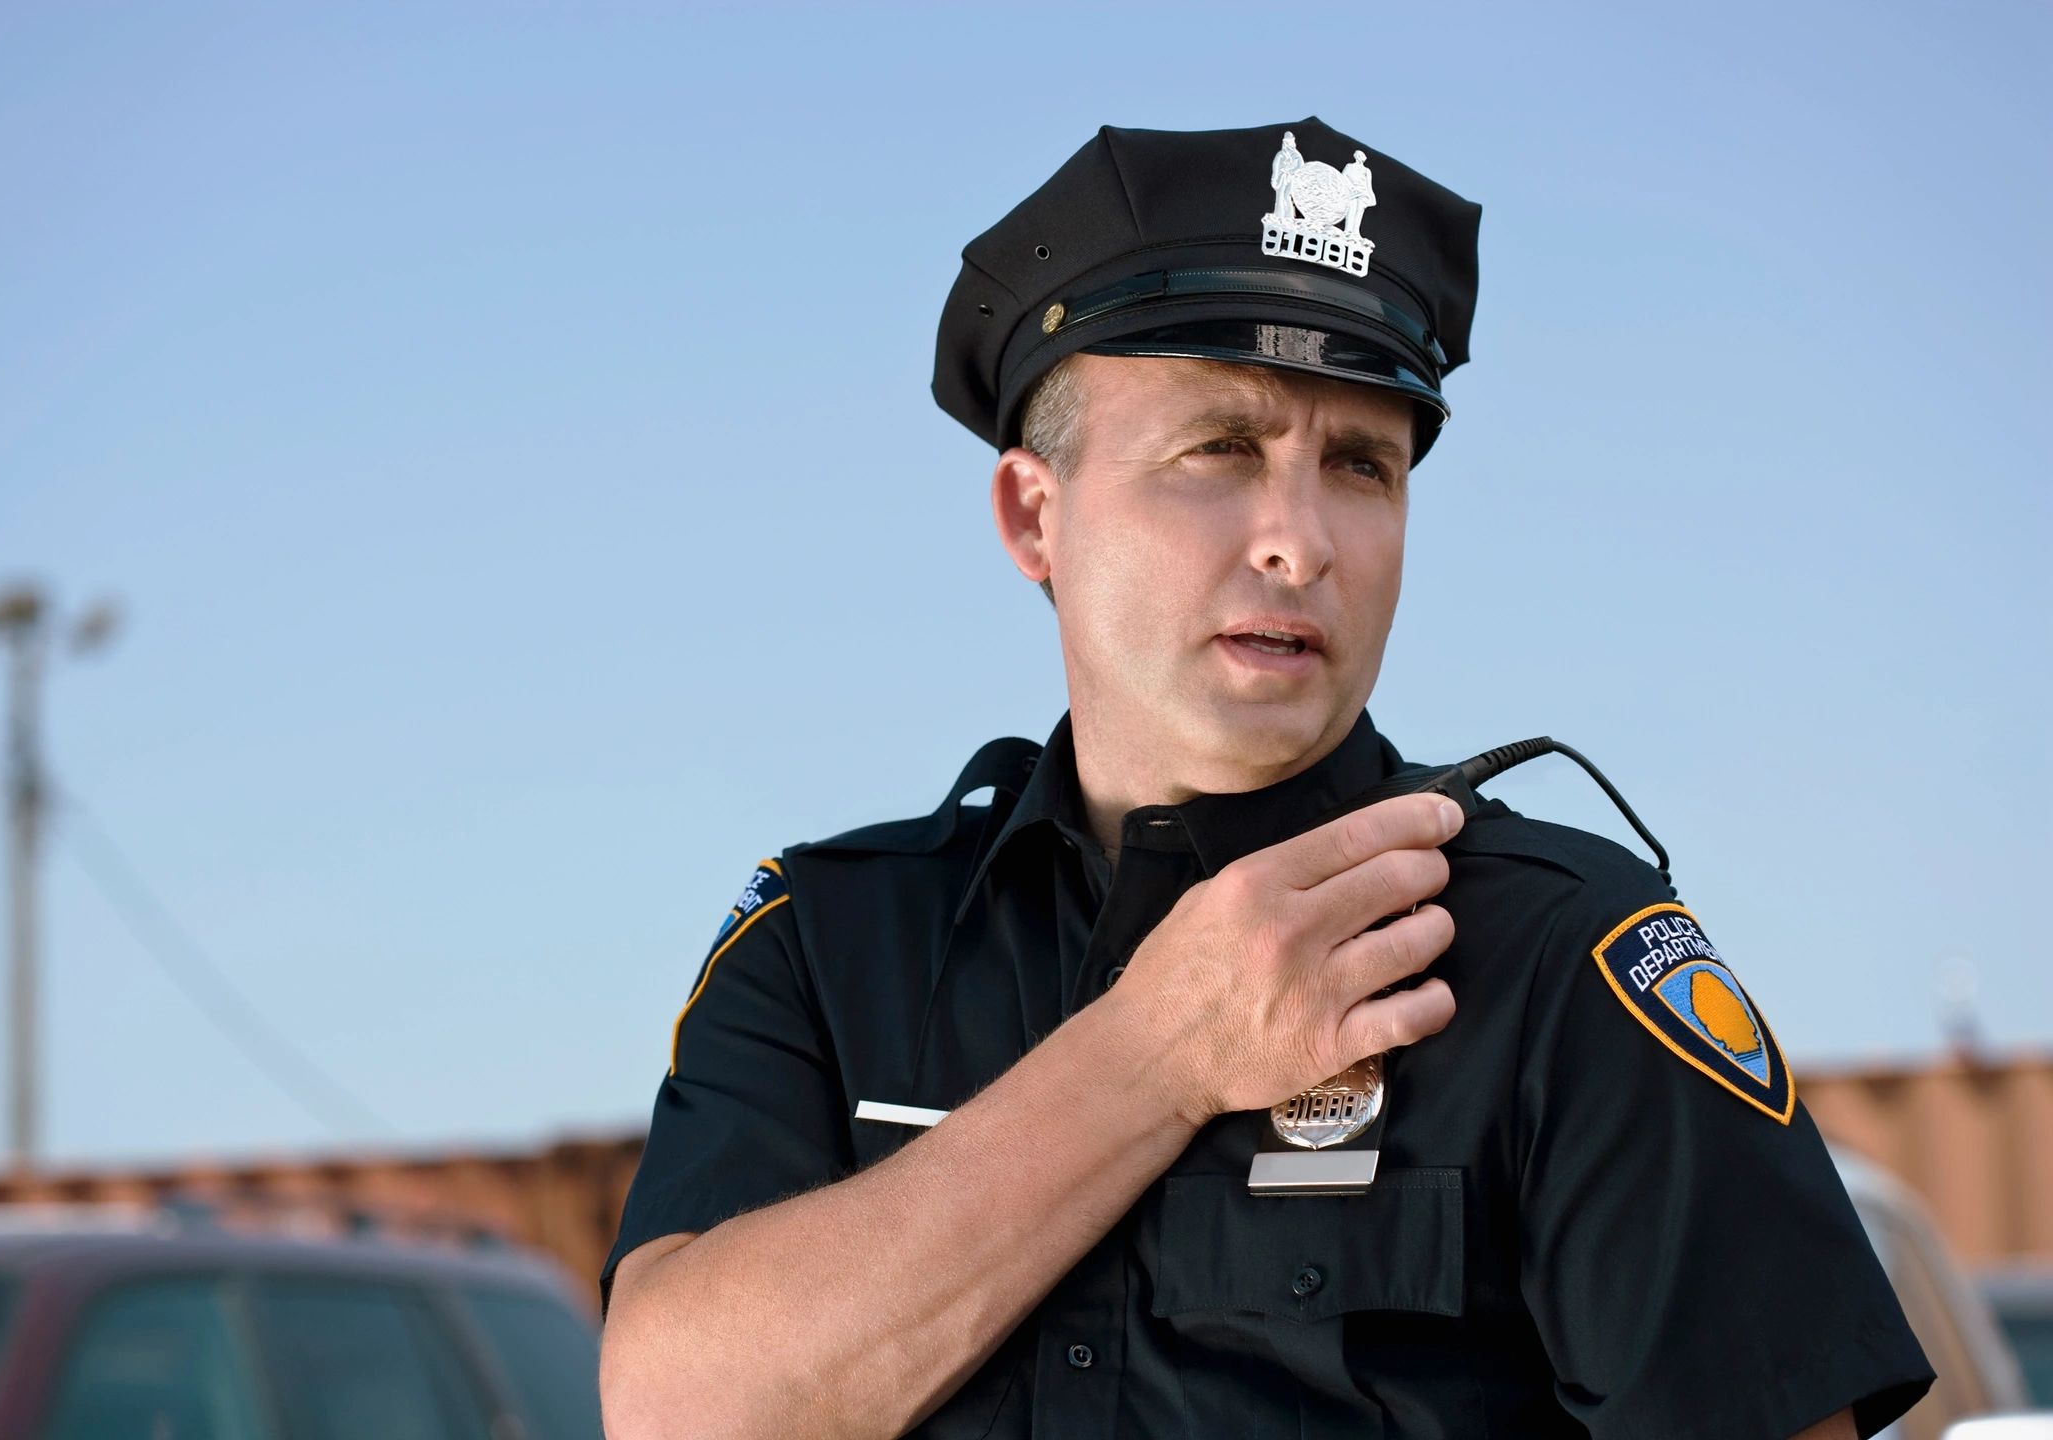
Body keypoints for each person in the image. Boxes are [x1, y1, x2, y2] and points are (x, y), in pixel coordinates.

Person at [598, 118, 1934, 1440]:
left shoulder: (1558, 958)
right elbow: (676, 1409)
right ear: (1033, 514)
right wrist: (1156, 1056)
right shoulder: (834, 944)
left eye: (1361, 466)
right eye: (1221, 451)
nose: (1300, 542)